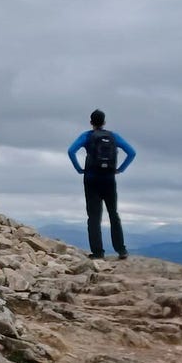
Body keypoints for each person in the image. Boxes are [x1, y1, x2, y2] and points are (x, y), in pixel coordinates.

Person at [67, 109, 137, 259]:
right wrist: (120, 169)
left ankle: (98, 253)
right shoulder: (113, 136)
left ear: (91, 122)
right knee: (113, 214)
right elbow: (132, 152)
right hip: (109, 179)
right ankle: (121, 250)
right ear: (104, 122)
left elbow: (71, 151)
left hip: (91, 179)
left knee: (93, 217)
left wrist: (79, 169)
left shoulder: (87, 136)